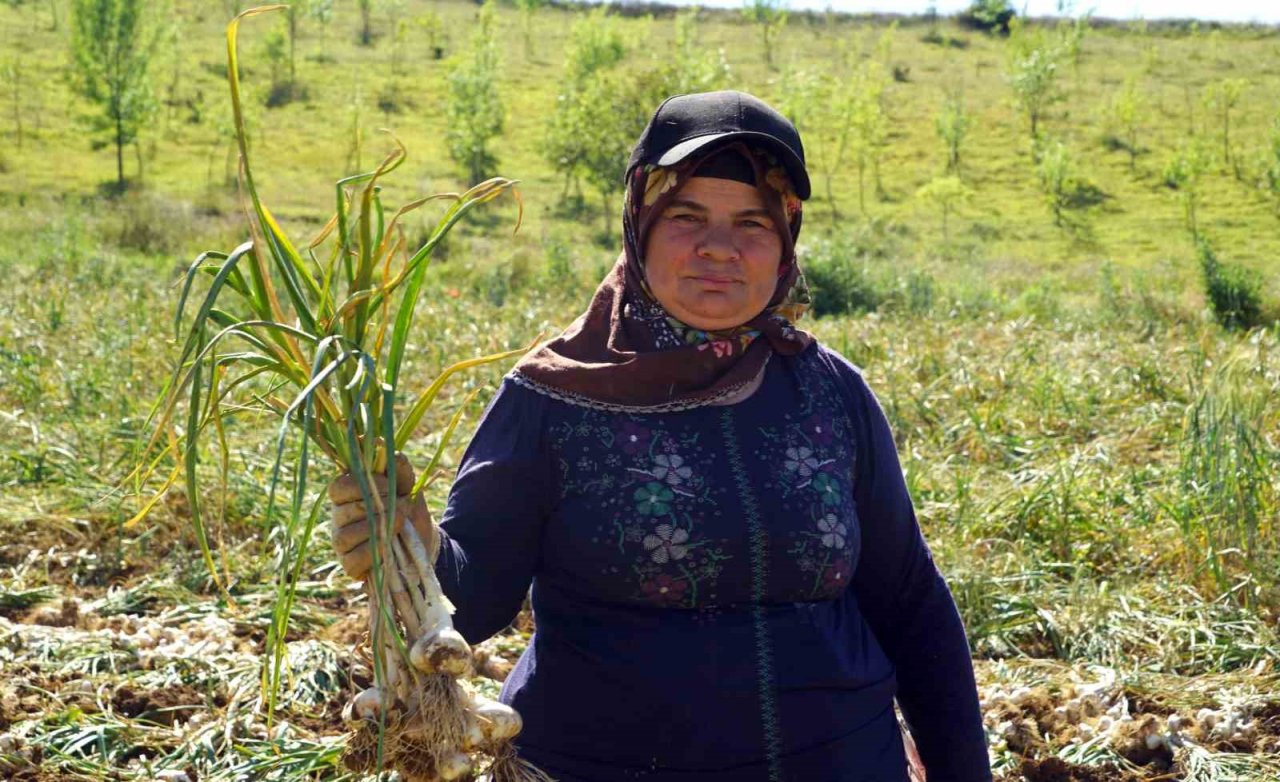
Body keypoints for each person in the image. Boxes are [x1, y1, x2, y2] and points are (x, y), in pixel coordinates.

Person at [329, 90, 992, 782]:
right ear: (639, 222)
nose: (719, 248)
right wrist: (408, 543)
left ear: (786, 240)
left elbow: (909, 599)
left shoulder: (828, 391)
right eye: (687, 216)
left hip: (842, 759)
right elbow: (476, 599)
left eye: (751, 224)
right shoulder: (556, 396)